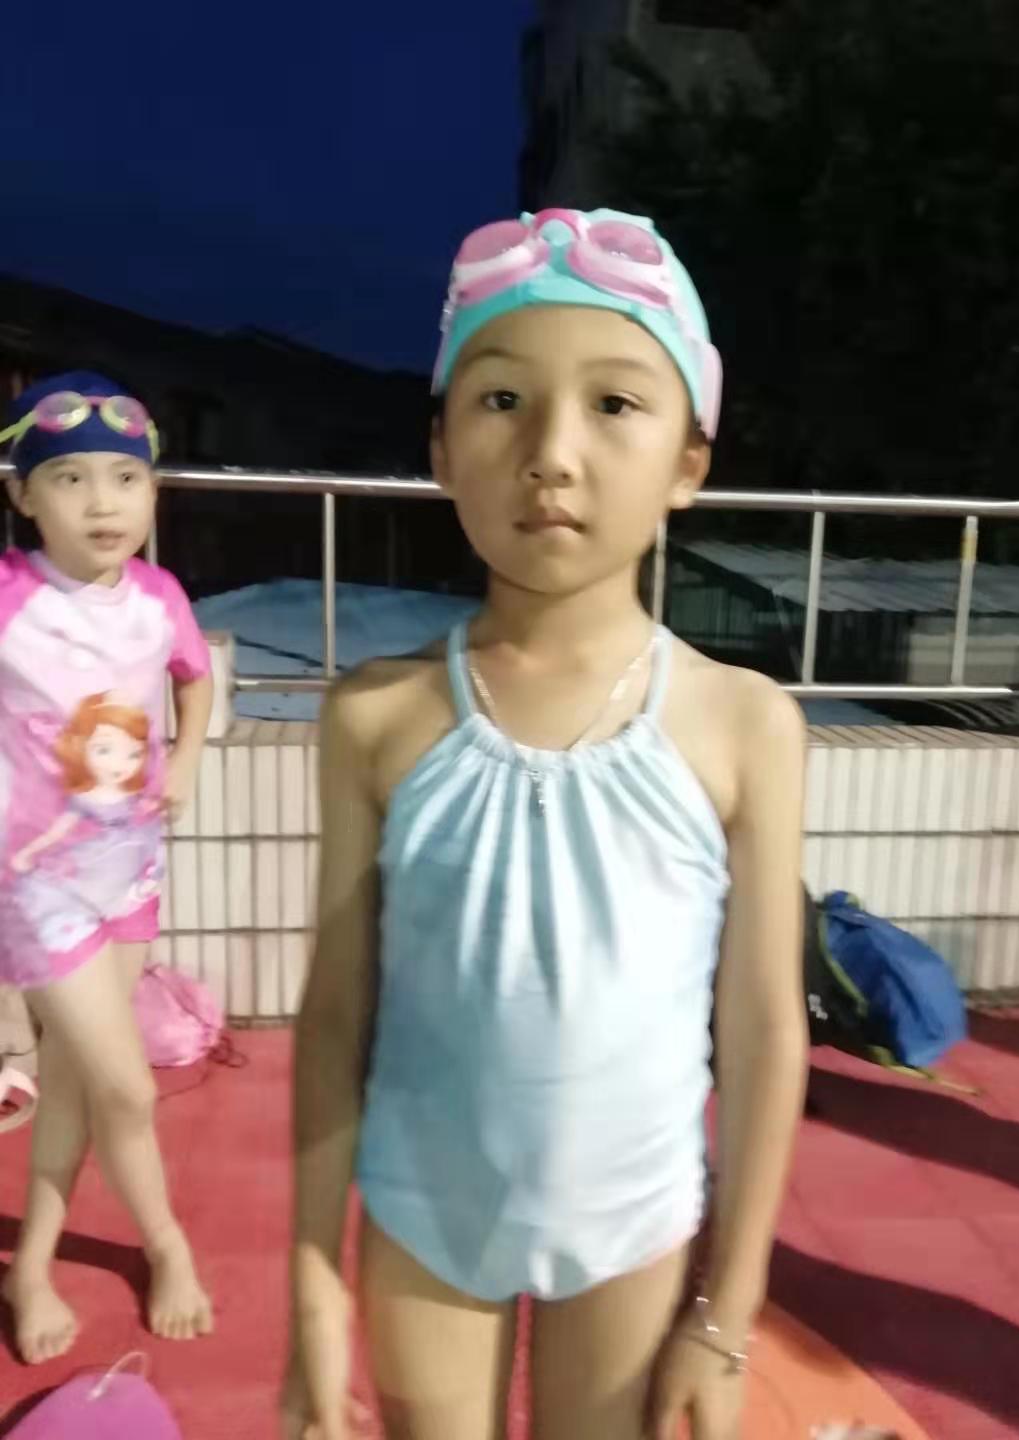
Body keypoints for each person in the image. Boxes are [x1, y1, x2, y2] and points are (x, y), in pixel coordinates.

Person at [284, 209, 808, 1440]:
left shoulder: (743, 723)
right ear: (440, 447)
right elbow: (336, 1010)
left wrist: (727, 1314)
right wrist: (310, 1276)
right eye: (502, 401)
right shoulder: (377, 716)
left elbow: (763, 1026)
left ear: (689, 460)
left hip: (636, 1224)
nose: (551, 454)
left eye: (615, 403)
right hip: (423, 1215)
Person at [0, 372, 214, 1363]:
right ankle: (166, 1245)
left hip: (128, 868)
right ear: (23, 495)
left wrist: (192, 757)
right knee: (125, 1089)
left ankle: (32, 1268)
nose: (103, 503)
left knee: (79, 1083)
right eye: (71, 478)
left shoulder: (159, 598)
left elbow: (196, 678)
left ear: (153, 492)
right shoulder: (10, 598)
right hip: (35, 881)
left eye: (126, 478)